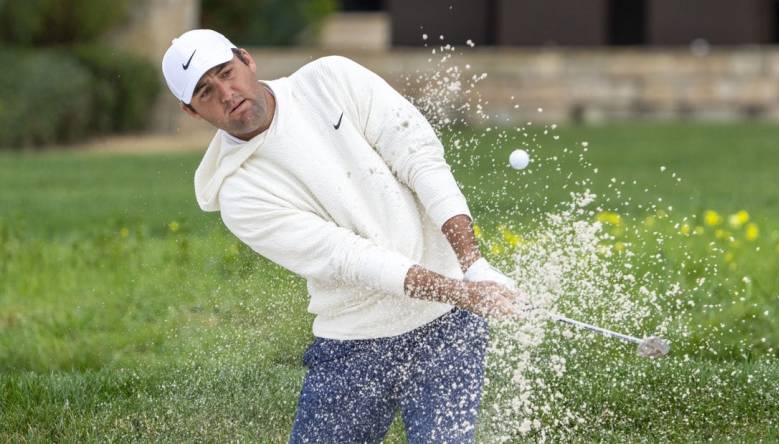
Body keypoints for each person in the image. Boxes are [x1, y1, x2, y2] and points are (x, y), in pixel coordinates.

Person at [162, 29, 523, 443]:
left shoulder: (330, 80)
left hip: (447, 328)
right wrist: (462, 292)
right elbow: (348, 258)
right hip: (354, 343)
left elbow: (419, 156)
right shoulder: (238, 193)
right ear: (191, 111)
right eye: (206, 91)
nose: (226, 93)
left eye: (227, 73)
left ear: (247, 60)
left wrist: (473, 265)